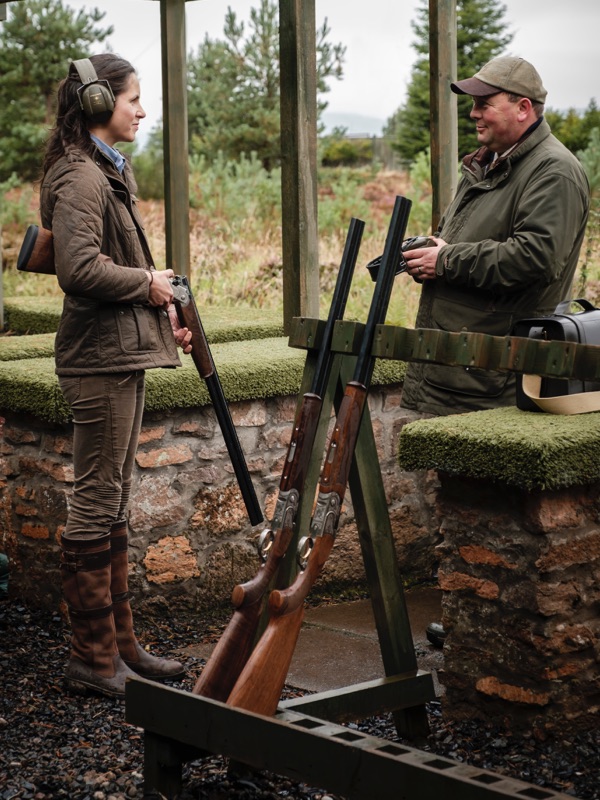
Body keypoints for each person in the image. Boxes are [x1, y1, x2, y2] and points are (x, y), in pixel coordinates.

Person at [399, 56, 590, 646]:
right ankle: (466, 621)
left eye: (486, 102)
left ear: (524, 108)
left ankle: (483, 631)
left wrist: (448, 259)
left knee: (489, 507)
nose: (475, 112)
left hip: (493, 368)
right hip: (458, 360)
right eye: (474, 102)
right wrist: (439, 246)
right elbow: (486, 239)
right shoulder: (492, 165)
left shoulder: (553, 172)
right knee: (458, 504)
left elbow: (536, 257)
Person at [40, 54, 193, 697]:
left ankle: (121, 646)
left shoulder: (106, 172)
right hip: (98, 361)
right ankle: (92, 657)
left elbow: (109, 266)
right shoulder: (81, 177)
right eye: (134, 98)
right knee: (98, 500)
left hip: (118, 355)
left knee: (115, 500)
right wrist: (151, 285)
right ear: (102, 102)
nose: (142, 109)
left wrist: (162, 313)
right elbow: (79, 269)